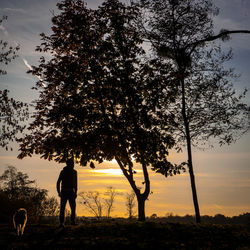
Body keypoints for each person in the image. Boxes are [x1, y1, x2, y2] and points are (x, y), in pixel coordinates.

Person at [57, 158, 78, 226]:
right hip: (66, 190)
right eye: (72, 164)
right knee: (64, 207)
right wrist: (59, 192)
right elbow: (58, 182)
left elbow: (75, 184)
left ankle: (70, 221)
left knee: (71, 207)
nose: (73, 165)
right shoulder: (64, 172)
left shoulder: (73, 172)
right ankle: (63, 222)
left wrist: (75, 192)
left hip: (69, 191)